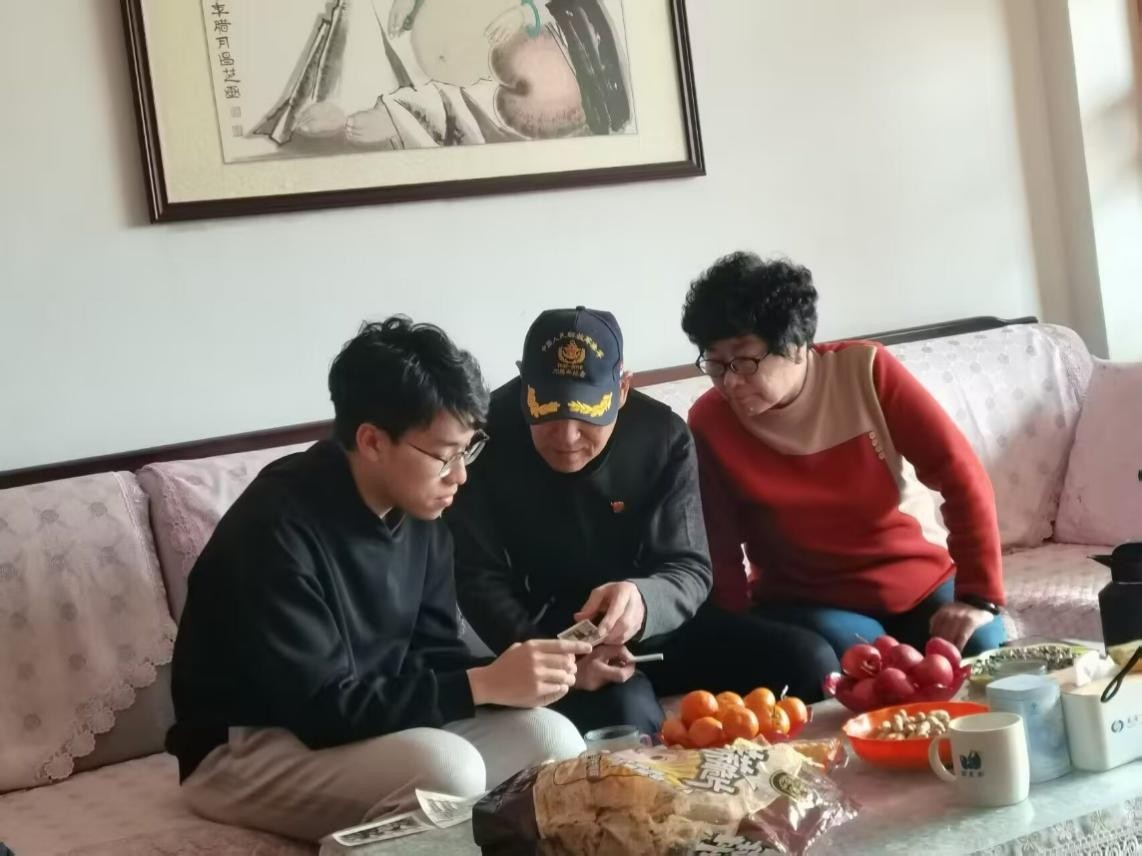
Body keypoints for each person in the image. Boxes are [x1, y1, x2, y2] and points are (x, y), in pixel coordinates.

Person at [167, 317, 589, 844]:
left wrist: (523, 676)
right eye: (444, 455)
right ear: (371, 441)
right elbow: (320, 708)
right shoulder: (275, 529)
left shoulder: (422, 511)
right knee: (447, 770)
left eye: (468, 450)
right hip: (247, 745)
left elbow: (433, 656)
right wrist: (480, 684)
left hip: (358, 721)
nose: (460, 475)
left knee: (553, 740)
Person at [448, 307, 840, 737]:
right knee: (626, 718)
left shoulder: (662, 436)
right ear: (525, 384)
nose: (567, 436)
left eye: (587, 413)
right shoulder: (482, 440)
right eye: (546, 411)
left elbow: (689, 567)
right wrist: (557, 661)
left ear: (621, 388)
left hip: (663, 627)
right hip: (551, 636)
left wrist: (643, 600)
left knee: (811, 662)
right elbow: (478, 578)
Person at [682, 253, 1007, 660]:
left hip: (920, 581)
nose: (730, 381)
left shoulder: (866, 371)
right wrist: (738, 634)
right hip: (808, 603)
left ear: (796, 346)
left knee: (980, 648)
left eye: (744, 361)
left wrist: (978, 596)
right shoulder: (710, 421)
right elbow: (718, 540)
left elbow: (960, 474)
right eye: (715, 364)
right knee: (864, 660)